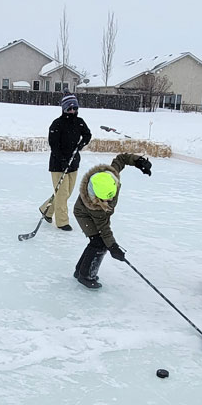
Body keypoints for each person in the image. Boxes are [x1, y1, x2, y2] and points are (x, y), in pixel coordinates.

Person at [72, 152, 152, 289]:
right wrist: (113, 247)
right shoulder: (96, 207)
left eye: (111, 196)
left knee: (99, 242)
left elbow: (121, 158)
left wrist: (138, 161)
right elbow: (104, 229)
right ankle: (85, 276)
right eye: (105, 199)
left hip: (94, 211)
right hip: (83, 214)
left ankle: (80, 270)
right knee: (99, 243)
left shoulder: (109, 176)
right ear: (97, 196)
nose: (110, 200)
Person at [39, 93, 91, 231]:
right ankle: (62, 222)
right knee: (62, 194)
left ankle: (46, 210)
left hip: (73, 163)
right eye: (69, 108)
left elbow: (87, 134)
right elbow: (54, 145)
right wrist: (62, 161)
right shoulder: (57, 124)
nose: (72, 111)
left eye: (74, 108)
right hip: (58, 165)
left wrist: (81, 144)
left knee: (66, 193)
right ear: (64, 109)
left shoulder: (79, 122)